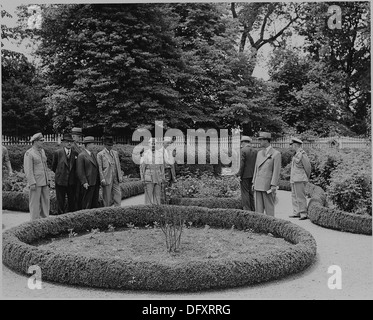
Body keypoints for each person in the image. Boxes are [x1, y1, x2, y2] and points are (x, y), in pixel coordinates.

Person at [252, 132, 281, 217]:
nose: (259, 142)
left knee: (269, 209)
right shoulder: (259, 153)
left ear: (266, 140)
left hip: (267, 185)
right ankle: (259, 227)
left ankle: (271, 227)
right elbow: (256, 169)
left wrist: (273, 185)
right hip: (258, 184)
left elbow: (276, 171)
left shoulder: (276, 154)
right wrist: (254, 182)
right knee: (258, 209)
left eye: (261, 140)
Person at [23, 133, 50, 221]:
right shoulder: (29, 153)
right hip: (36, 182)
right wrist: (32, 183)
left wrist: (48, 179)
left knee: (45, 202)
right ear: (35, 142)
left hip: (44, 181)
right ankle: (34, 222)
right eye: (41, 141)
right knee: (34, 203)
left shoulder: (42, 151)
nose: (43, 142)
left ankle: (45, 220)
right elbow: (28, 170)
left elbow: (45, 166)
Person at [52, 133, 79, 214]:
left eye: (71, 141)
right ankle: (60, 218)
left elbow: (76, 168)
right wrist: (60, 174)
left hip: (71, 182)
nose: (69, 143)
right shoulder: (57, 153)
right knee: (60, 201)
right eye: (67, 141)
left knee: (72, 202)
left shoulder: (75, 153)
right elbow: (54, 167)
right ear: (63, 143)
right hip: (60, 181)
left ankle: (71, 218)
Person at [288, 137, 312, 220]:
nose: (291, 147)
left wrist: (306, 177)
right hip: (294, 178)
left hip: (300, 178)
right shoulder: (296, 154)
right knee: (294, 195)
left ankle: (303, 213)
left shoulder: (302, 154)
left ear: (295, 145)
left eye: (292, 145)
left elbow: (308, 167)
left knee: (300, 196)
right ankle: (296, 212)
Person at [97, 136, 123, 207]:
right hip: (106, 177)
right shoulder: (100, 154)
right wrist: (102, 178)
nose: (110, 146)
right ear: (105, 145)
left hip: (115, 177)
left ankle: (118, 209)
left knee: (118, 194)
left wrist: (120, 176)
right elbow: (99, 167)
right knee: (107, 197)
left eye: (111, 145)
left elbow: (118, 165)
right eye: (109, 145)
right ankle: (107, 211)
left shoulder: (115, 153)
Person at [76, 136, 100, 209]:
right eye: (93, 144)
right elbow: (80, 170)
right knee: (87, 203)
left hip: (95, 182)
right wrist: (84, 182)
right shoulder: (82, 155)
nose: (94, 146)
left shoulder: (94, 155)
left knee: (94, 203)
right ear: (88, 145)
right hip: (88, 183)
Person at [140, 138, 165, 205]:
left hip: (158, 177)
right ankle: (147, 212)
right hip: (148, 177)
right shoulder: (145, 154)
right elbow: (142, 168)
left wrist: (163, 178)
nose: (153, 145)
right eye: (152, 144)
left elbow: (162, 167)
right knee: (148, 197)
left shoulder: (160, 154)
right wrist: (142, 179)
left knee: (157, 196)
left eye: (155, 144)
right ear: (149, 144)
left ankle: (157, 211)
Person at [236, 136, 257, 211]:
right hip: (253, 175)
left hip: (245, 175)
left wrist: (239, 174)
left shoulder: (243, 150)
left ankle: (247, 210)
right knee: (251, 193)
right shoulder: (255, 151)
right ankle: (253, 209)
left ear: (244, 142)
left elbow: (241, 164)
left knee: (244, 193)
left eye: (241, 142)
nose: (241, 144)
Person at [71, 127, 84, 209]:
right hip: (75, 175)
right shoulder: (72, 146)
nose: (80, 138)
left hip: (78, 174)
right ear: (73, 136)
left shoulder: (77, 146)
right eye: (78, 136)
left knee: (79, 194)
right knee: (76, 195)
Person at [161, 136, 177, 204]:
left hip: (170, 171)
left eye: (169, 143)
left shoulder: (170, 151)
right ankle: (164, 202)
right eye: (167, 143)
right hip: (165, 171)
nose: (169, 145)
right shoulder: (160, 151)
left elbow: (173, 164)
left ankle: (169, 202)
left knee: (170, 187)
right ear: (163, 143)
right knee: (164, 187)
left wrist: (174, 176)